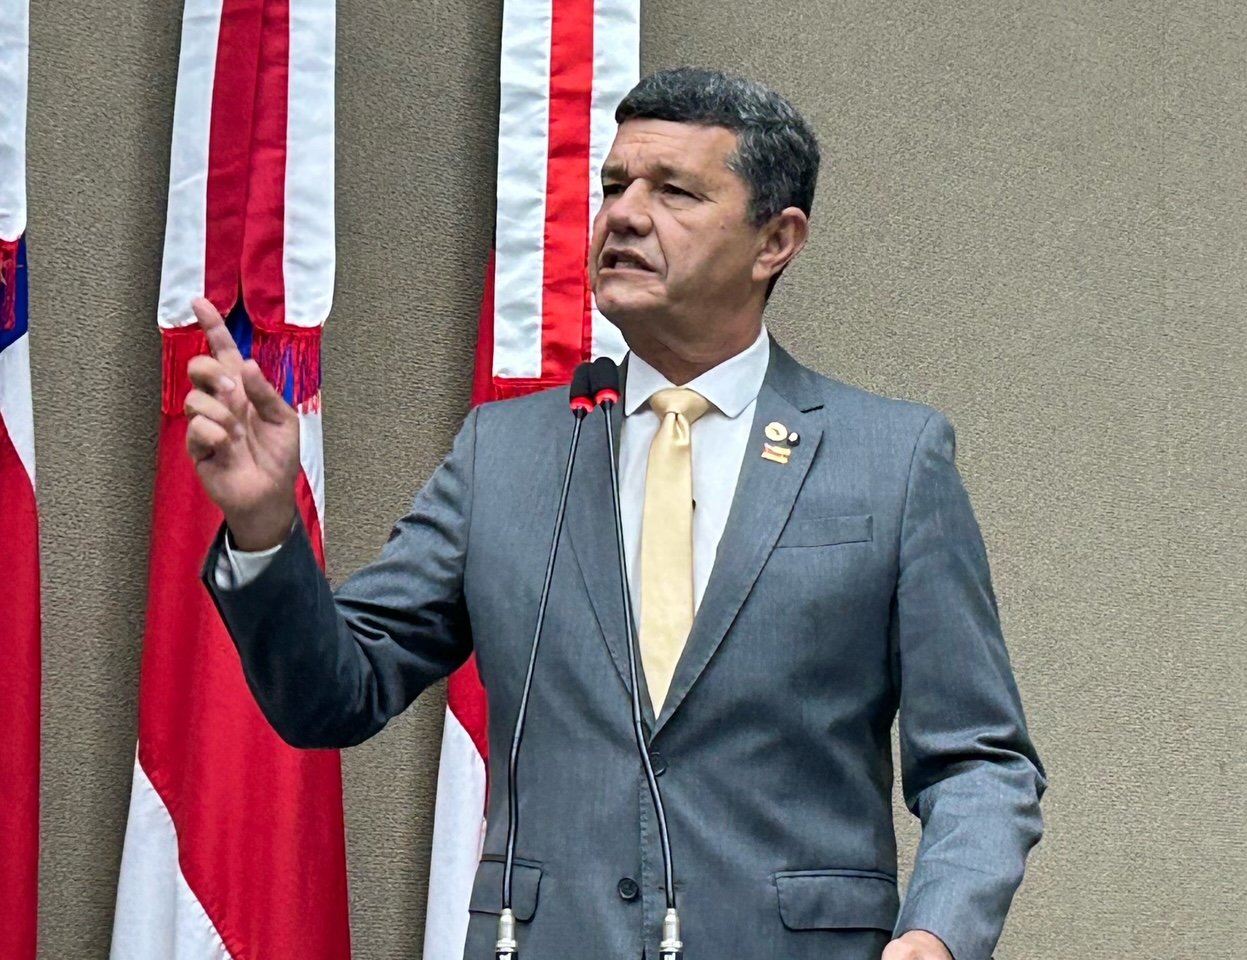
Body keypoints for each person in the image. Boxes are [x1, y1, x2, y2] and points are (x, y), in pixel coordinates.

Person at [184, 67, 1045, 960]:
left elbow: (981, 760)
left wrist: (938, 934)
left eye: (674, 191)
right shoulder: (504, 453)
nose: (625, 215)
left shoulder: (892, 460)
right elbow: (335, 694)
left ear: (775, 240)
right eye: (614, 185)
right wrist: (265, 528)